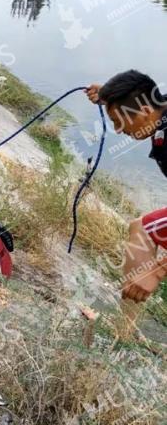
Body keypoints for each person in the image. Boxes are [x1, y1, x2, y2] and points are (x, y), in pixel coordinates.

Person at [85, 71, 166, 311]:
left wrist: (157, 272)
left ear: (144, 114)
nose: (118, 130)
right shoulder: (158, 108)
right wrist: (110, 96)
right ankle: (125, 330)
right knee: (142, 229)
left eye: (119, 121)